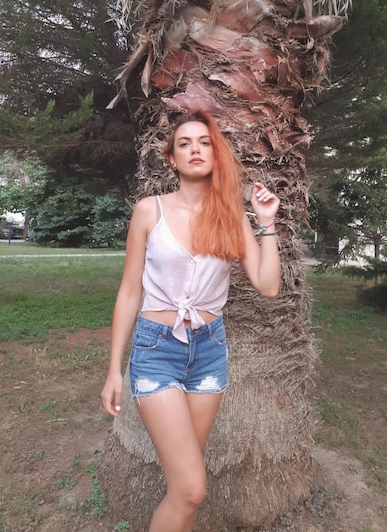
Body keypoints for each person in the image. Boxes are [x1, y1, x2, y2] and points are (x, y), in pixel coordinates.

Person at [101, 111, 280, 531]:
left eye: (204, 142)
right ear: (171, 158)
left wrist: (265, 223)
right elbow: (129, 291)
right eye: (184, 143)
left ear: (215, 154)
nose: (195, 149)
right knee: (192, 489)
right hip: (155, 349)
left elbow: (268, 285)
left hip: (209, 352)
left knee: (184, 488)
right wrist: (113, 369)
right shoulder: (149, 212)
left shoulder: (231, 216)